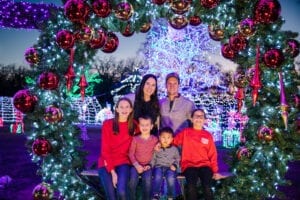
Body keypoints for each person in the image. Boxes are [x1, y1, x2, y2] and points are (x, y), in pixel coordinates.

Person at [173, 108, 223, 200]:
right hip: (189, 165)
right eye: (196, 116)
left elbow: (212, 153)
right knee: (191, 188)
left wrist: (215, 170)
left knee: (207, 187)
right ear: (191, 119)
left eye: (201, 116)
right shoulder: (186, 132)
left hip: (205, 165)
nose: (199, 118)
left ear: (205, 120)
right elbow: (173, 142)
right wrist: (161, 144)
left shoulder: (207, 135)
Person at [98, 97, 138, 200]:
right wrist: (112, 172)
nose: (124, 110)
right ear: (116, 109)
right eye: (121, 107)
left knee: (121, 191)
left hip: (123, 162)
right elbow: (105, 150)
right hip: (106, 162)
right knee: (111, 196)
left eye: (127, 107)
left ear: (131, 109)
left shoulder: (135, 125)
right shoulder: (108, 124)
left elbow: (143, 140)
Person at [128, 115, 158, 200]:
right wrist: (137, 165)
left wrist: (150, 165)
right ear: (139, 126)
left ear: (151, 126)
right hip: (136, 165)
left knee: (147, 180)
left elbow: (156, 154)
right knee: (132, 179)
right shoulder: (135, 139)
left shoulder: (155, 140)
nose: (144, 127)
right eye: (142, 125)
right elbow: (131, 154)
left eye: (147, 125)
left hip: (148, 166)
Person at [151, 127, 180, 200]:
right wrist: (150, 166)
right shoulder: (157, 148)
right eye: (163, 137)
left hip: (170, 167)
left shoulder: (174, 149)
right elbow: (153, 158)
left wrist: (175, 165)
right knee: (157, 175)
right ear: (159, 137)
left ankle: (170, 195)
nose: (166, 140)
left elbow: (178, 159)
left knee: (170, 177)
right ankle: (155, 194)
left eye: (168, 137)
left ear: (172, 139)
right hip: (159, 167)